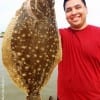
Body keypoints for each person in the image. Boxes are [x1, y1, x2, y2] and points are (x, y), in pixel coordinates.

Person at [57, 0, 100, 100]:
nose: (73, 12)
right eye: (68, 10)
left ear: (86, 9)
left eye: (78, 7)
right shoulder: (59, 35)